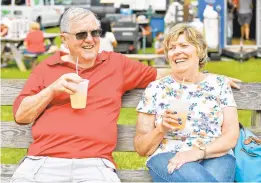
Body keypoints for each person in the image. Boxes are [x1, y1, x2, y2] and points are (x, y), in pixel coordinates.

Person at [11, 7, 240, 183]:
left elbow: (161, 72)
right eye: (81, 34)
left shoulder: (116, 64)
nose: (90, 39)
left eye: (95, 32)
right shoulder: (46, 69)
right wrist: (52, 90)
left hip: (94, 164)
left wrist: (208, 78)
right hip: (43, 161)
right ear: (64, 38)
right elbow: (21, 116)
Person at [134, 23, 240, 182]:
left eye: (184, 45)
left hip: (215, 154)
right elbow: (141, 147)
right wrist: (161, 129)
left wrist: (197, 152)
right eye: (171, 48)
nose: (177, 52)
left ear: (199, 50)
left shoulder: (219, 85)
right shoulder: (155, 89)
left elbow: (231, 134)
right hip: (168, 154)